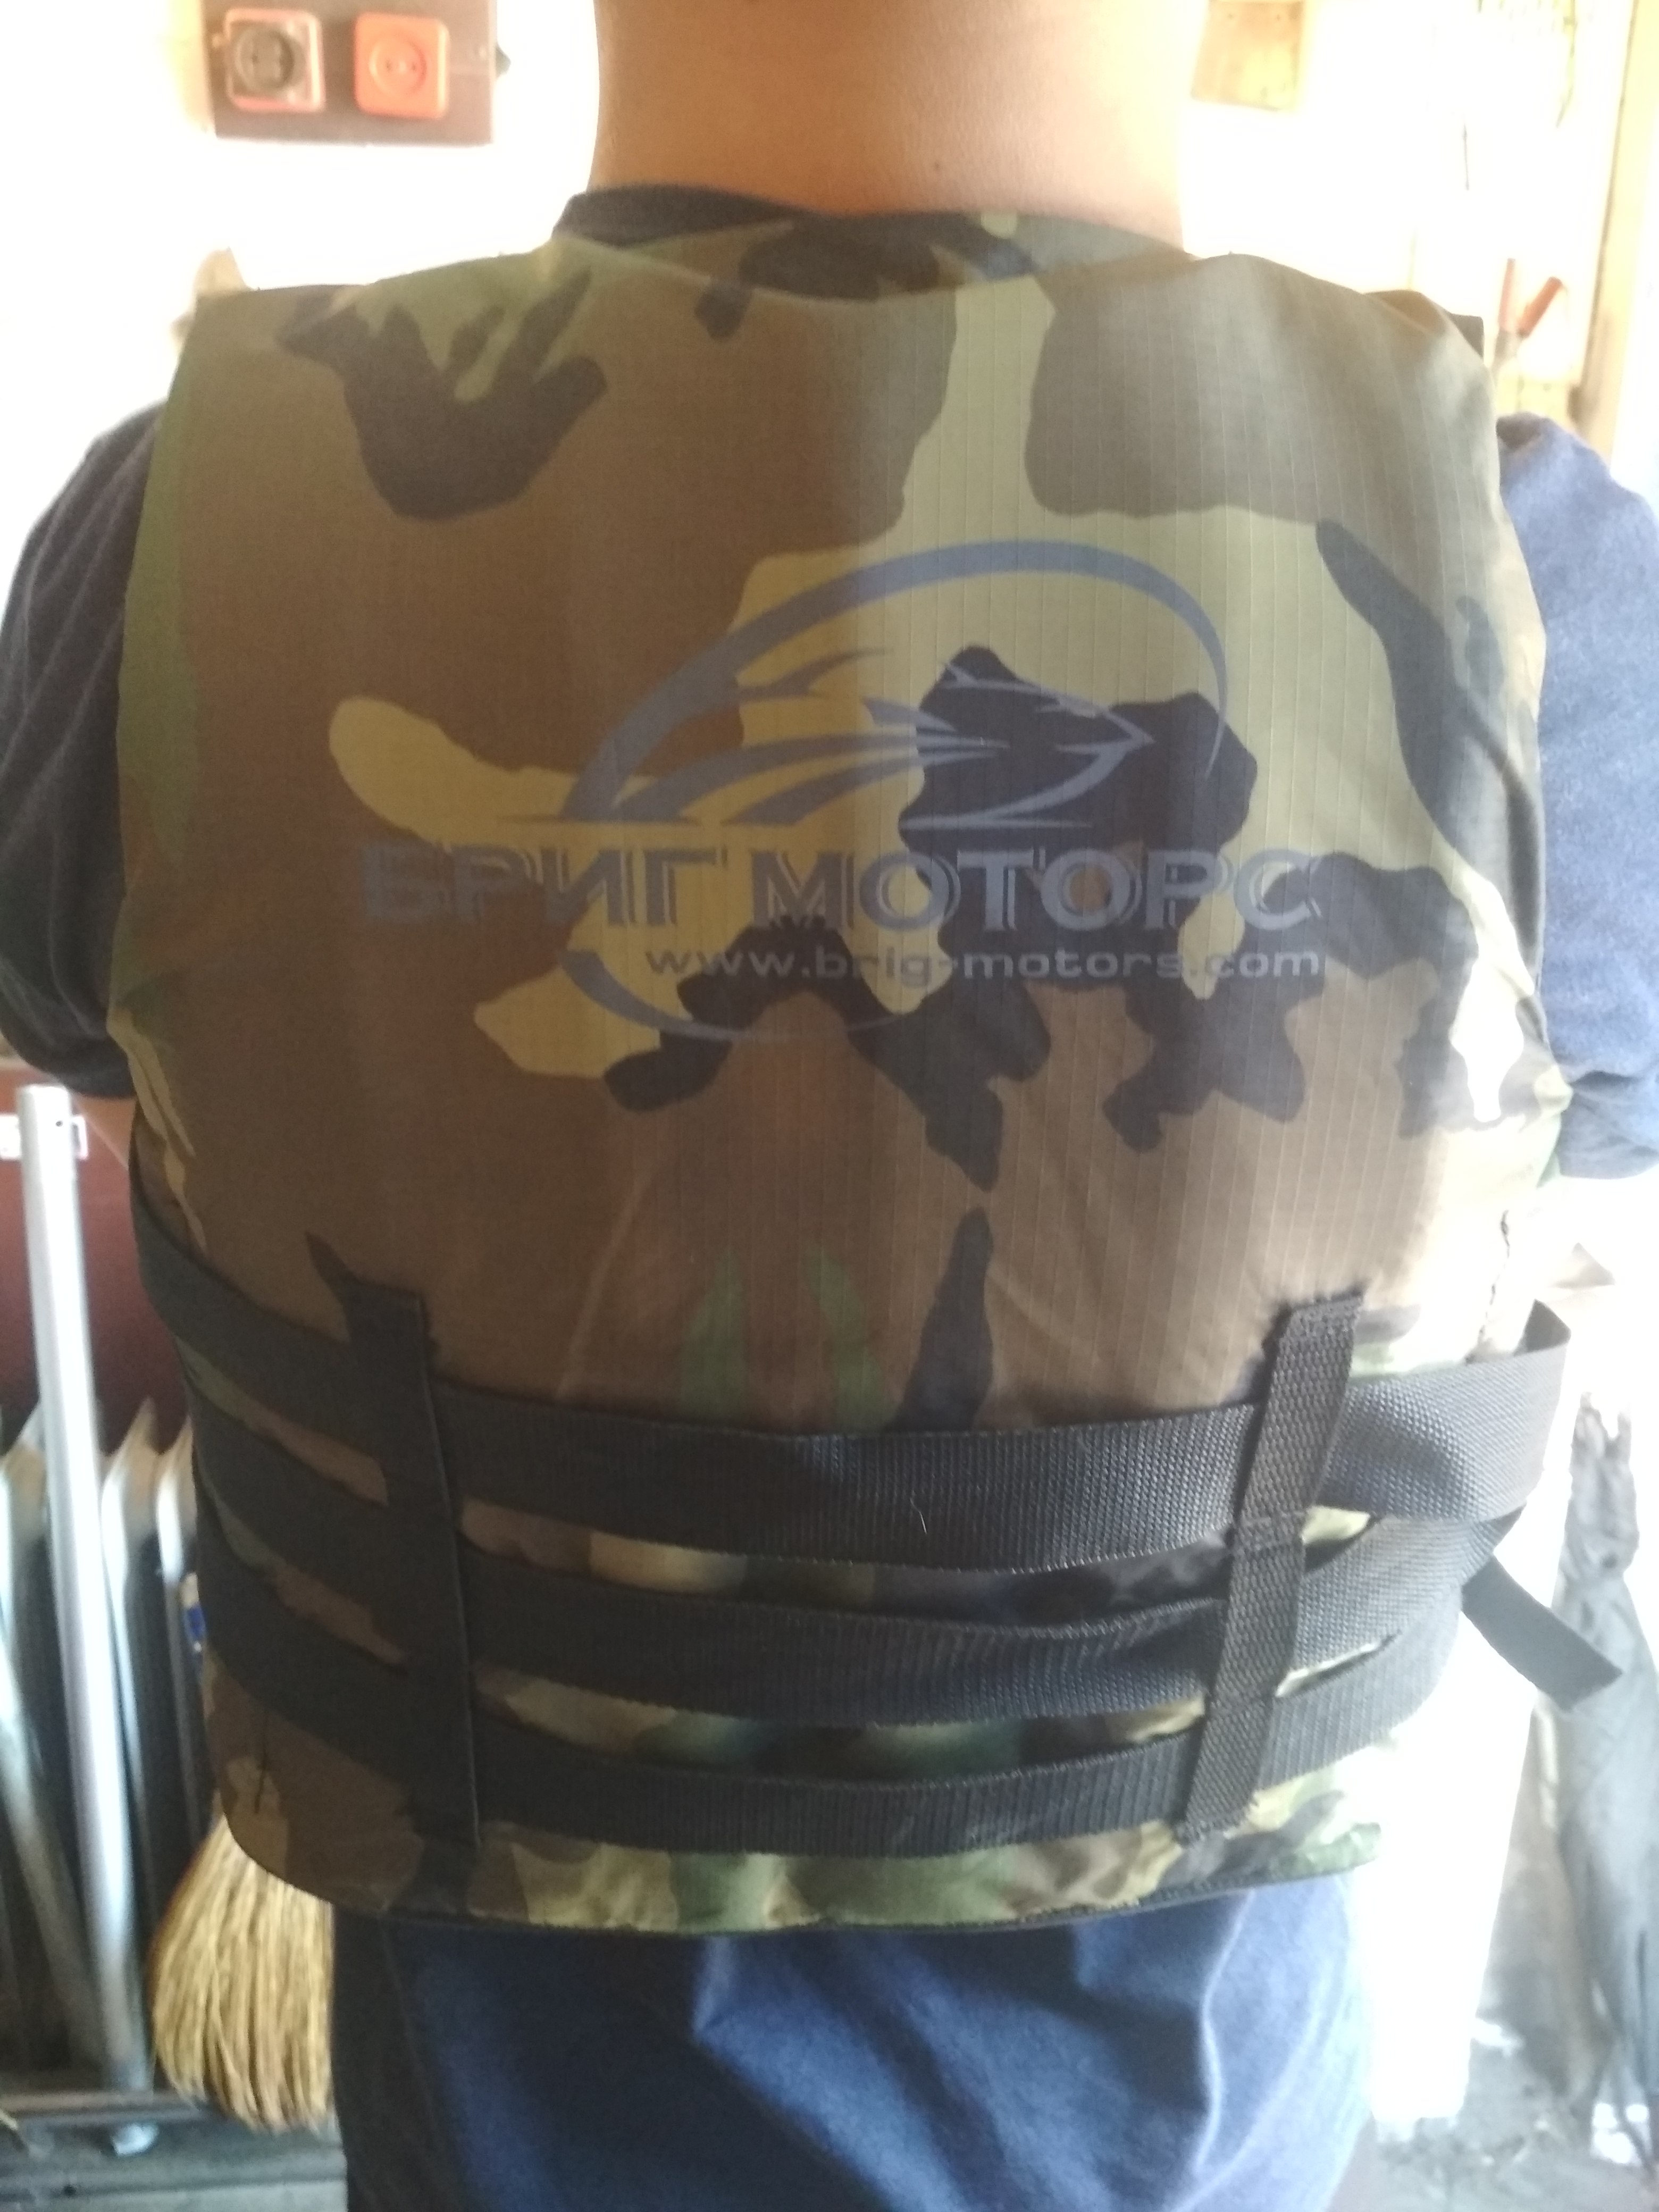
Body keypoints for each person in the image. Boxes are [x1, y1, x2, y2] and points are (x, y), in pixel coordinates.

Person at [5, 5, 1659, 2208]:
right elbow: (1570, 1122)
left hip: (509, 2097)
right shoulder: (1539, 584)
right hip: (1183, 2111)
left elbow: (126, 1059)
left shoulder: (185, 533)